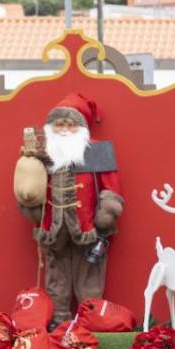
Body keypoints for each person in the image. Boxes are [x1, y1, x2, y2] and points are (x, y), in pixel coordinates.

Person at [18, 92, 126, 325]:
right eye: (59, 125)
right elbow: (31, 185)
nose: (65, 130)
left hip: (88, 227)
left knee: (90, 273)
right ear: (51, 128)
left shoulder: (96, 151)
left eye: (70, 124)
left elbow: (111, 185)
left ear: (81, 127)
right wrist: (31, 205)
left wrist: (107, 210)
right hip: (53, 228)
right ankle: (59, 319)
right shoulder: (43, 153)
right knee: (56, 276)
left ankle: (90, 318)